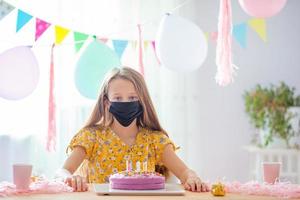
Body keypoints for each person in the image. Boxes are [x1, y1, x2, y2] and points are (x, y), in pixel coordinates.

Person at [56, 66, 209, 192]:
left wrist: (192, 177)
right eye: (117, 98)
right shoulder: (91, 137)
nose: (125, 102)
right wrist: (69, 177)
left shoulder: (155, 140)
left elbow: (184, 172)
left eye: (132, 98)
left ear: (142, 101)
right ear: (106, 103)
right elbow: (62, 171)